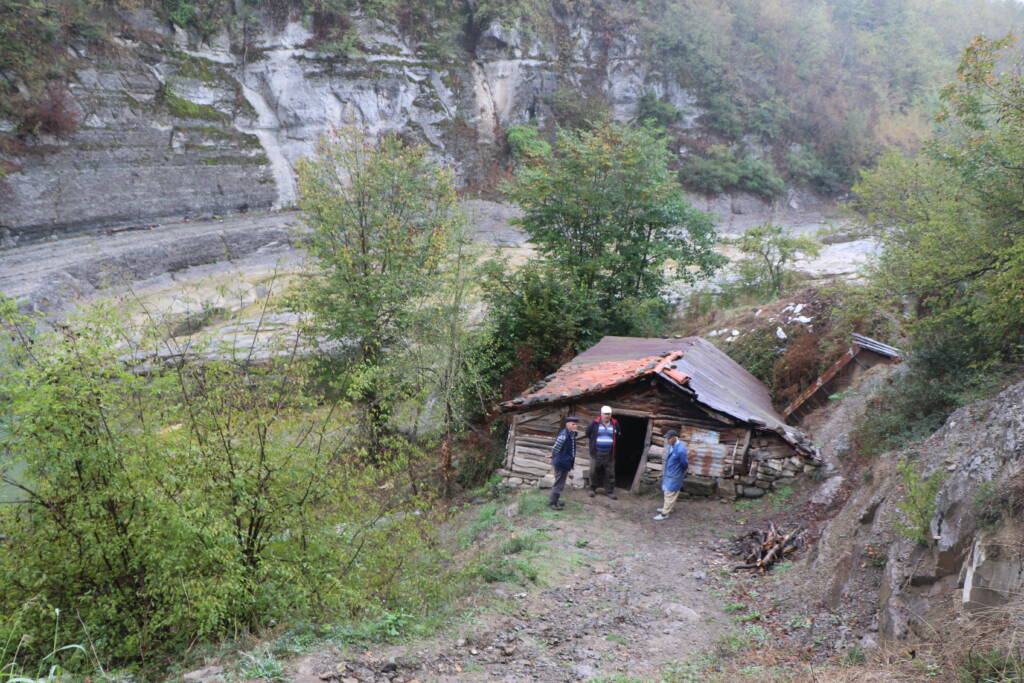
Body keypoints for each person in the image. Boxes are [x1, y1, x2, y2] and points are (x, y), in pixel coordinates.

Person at [586, 405, 619, 500]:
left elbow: (618, 434)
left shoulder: (615, 423)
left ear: (611, 414)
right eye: (605, 414)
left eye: (609, 414)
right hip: (596, 452)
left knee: (610, 473)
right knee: (593, 471)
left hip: (609, 453)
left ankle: (609, 491)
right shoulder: (594, 423)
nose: (607, 416)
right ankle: (592, 489)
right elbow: (588, 433)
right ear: (601, 414)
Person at [654, 430, 688, 521]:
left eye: (669, 438)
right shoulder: (672, 445)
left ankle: (665, 514)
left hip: (675, 474)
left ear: (674, 437)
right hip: (670, 472)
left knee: (670, 493)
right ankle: (668, 508)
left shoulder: (681, 449)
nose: (667, 440)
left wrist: (680, 472)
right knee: (670, 492)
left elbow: (685, 463)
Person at [548, 416, 580, 510]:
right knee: (559, 484)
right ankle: (552, 503)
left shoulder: (572, 434)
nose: (575, 426)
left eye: (576, 424)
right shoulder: (564, 435)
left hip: (565, 462)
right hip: (561, 462)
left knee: (560, 483)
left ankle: (555, 500)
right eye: (573, 424)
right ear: (568, 425)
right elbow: (555, 448)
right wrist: (552, 456)